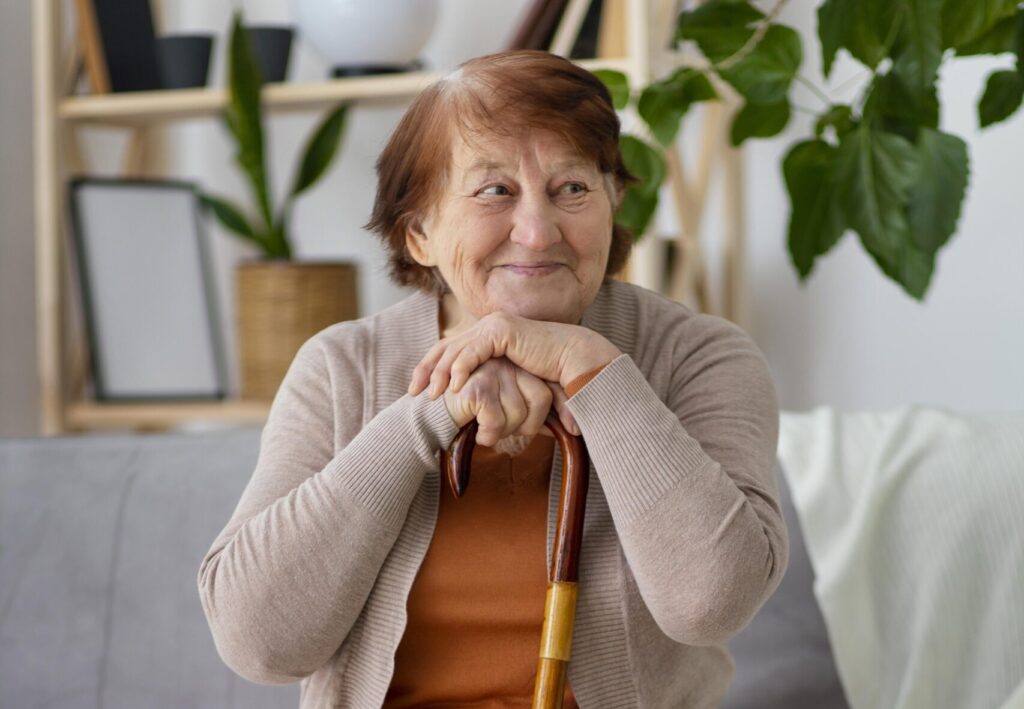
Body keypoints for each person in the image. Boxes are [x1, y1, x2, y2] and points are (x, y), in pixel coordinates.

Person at [198, 50, 788, 708]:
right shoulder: (341, 368)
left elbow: (712, 602)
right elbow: (258, 643)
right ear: (419, 232)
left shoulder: (700, 356)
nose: (537, 232)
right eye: (494, 191)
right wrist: (426, 414)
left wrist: (593, 371)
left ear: (613, 202)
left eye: (572, 189)